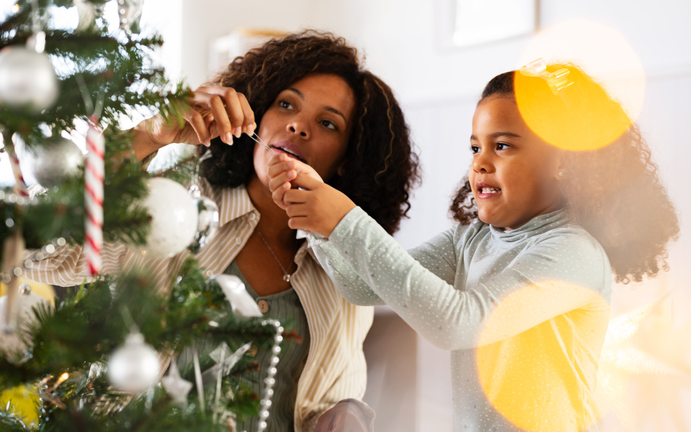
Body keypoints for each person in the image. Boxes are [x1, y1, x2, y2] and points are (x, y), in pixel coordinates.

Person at [23, 31, 420, 432]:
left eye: (328, 123)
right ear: (259, 116)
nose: (299, 126)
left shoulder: (352, 264)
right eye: (286, 105)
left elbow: (340, 402)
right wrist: (147, 136)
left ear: (347, 161)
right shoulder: (173, 208)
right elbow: (34, 253)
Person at [268, 63, 679, 431]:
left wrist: (344, 219)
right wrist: (319, 225)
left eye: (502, 145)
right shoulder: (471, 239)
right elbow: (364, 287)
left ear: (563, 159)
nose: (480, 163)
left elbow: (457, 324)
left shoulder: (573, 253)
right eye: (475, 147)